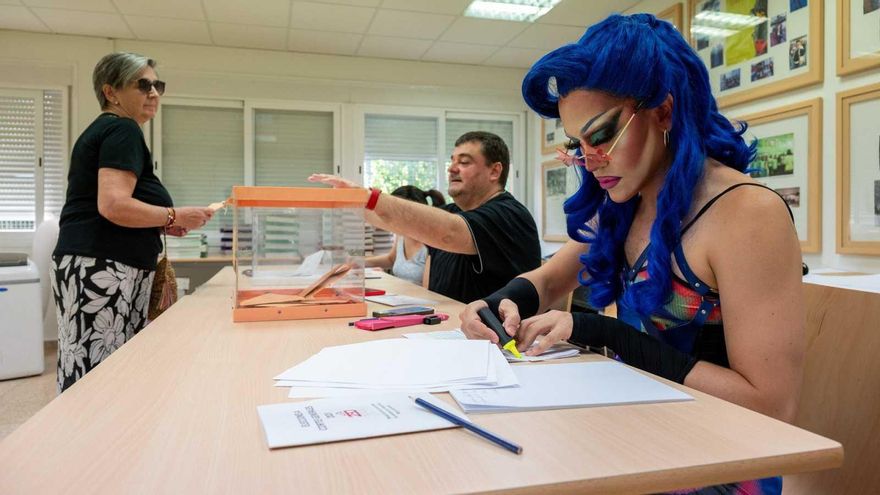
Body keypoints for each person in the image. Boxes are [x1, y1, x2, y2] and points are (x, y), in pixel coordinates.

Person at [459, 14, 803, 495]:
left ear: (663, 111)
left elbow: (771, 407)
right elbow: (552, 279)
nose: (590, 160)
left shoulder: (747, 214)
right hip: (638, 436)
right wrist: (499, 301)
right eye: (577, 144)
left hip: (720, 467)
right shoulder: (628, 203)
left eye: (601, 136)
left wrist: (598, 329)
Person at [52, 52, 214, 393]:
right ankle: (92, 441)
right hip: (104, 266)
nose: (153, 92)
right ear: (111, 92)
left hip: (99, 260)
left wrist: (162, 223)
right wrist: (172, 215)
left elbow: (116, 208)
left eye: (158, 85)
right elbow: (113, 205)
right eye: (143, 85)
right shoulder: (122, 129)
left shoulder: (109, 131)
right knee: (101, 373)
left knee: (89, 362)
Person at [309, 131, 541, 303]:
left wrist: (369, 197)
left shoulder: (508, 215)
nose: (452, 168)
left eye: (464, 162)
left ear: (495, 171)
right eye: (452, 161)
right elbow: (391, 222)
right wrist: (351, 202)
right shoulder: (453, 212)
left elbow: (449, 232)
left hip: (499, 342)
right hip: (450, 328)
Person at [365, 185, 445, 286]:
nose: (392, 219)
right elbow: (391, 259)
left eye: (397, 213)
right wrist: (358, 263)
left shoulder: (432, 245)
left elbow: (429, 293)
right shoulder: (401, 236)